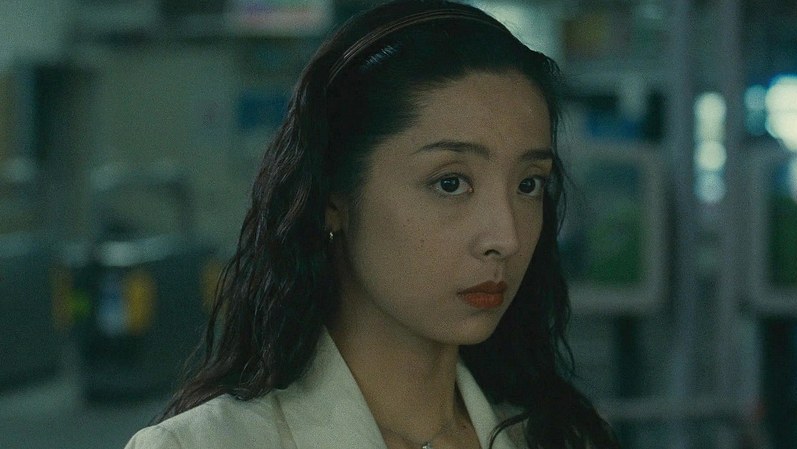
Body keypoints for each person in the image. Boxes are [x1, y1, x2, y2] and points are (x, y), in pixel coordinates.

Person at [125, 0, 619, 448]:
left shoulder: (560, 438)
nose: (506, 238)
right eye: (450, 183)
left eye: (528, 184)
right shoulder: (203, 445)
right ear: (333, 197)